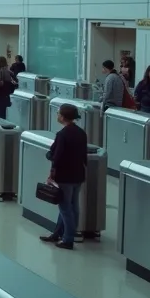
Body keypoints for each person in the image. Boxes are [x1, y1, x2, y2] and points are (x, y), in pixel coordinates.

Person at [41, 103, 89, 249]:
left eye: (58, 113)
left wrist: (51, 174)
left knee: (65, 208)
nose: (57, 115)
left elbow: (57, 156)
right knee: (73, 205)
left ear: (63, 117)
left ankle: (68, 239)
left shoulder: (62, 135)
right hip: (78, 174)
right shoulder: (81, 133)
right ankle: (57, 233)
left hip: (64, 176)